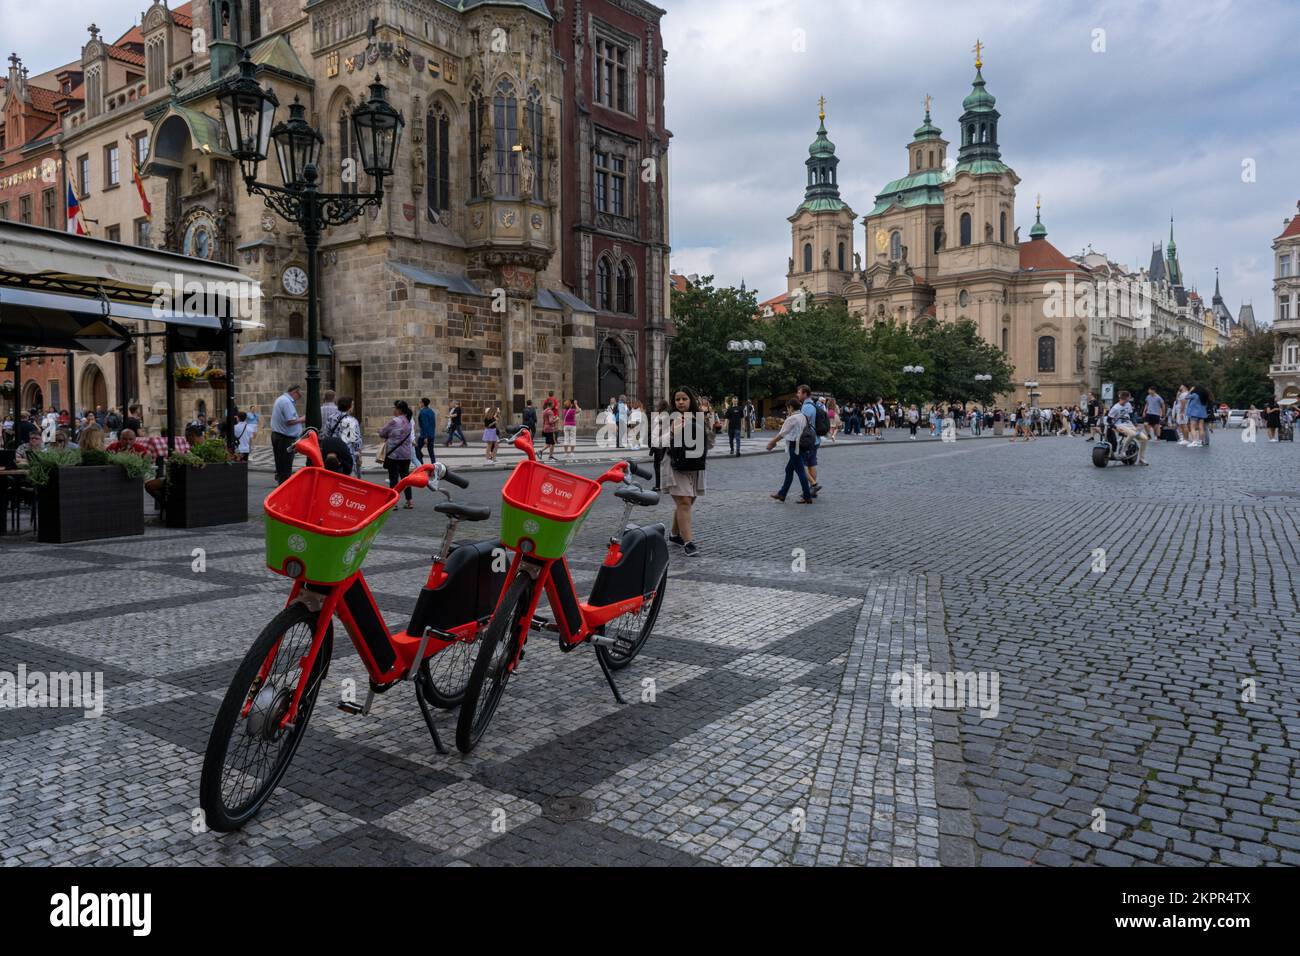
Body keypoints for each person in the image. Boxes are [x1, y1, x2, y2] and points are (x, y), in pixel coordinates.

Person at [661, 386, 708, 556]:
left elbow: (709, 442)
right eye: (677, 399)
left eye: (684, 399)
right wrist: (672, 432)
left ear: (691, 400)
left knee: (687, 502)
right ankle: (688, 542)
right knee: (684, 502)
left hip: (695, 464)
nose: (680, 402)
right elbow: (657, 442)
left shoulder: (700, 418)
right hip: (675, 464)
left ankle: (674, 535)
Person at [768, 400, 815, 504]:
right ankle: (782, 494)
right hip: (803, 446)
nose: (787, 410)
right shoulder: (803, 416)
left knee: (801, 471)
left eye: (788, 408)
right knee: (789, 469)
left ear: (791, 407)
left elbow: (782, 434)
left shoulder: (792, 418)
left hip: (795, 446)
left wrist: (771, 443)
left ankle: (807, 496)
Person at [379, 400, 415, 509]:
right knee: (405, 478)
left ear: (398, 410)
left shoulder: (394, 421)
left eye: (394, 408)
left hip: (394, 454)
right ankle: (409, 501)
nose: (393, 410)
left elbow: (382, 433)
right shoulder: (408, 421)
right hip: (406, 454)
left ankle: (393, 503)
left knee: (393, 478)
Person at [271, 384, 306, 484]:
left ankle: (281, 484)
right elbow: (290, 421)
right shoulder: (286, 402)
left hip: (280, 436)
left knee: (281, 465)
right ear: (295, 392)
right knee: (285, 467)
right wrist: (303, 419)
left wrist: (298, 418)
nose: (299, 397)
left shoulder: (282, 399)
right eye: (299, 394)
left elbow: (289, 418)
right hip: (284, 438)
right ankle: (284, 488)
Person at [1108, 390, 1150, 465]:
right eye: (1129, 397)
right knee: (1132, 434)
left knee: (1145, 438)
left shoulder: (1128, 404)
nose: (1130, 399)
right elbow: (1109, 420)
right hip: (1120, 425)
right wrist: (1116, 428)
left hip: (1130, 425)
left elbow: (1131, 416)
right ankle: (1122, 452)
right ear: (1126, 398)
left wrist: (1136, 424)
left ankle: (1141, 459)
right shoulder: (1115, 408)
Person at [796, 385, 822, 495]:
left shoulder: (806, 407)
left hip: (808, 439)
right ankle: (813, 488)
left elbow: (802, 423)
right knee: (812, 463)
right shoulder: (812, 404)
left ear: (805, 394)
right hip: (814, 438)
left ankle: (813, 486)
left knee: (802, 464)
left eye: (799, 392)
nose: (797, 394)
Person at [331, 396, 363, 477]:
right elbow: (356, 440)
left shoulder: (330, 418)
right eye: (352, 405)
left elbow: (327, 434)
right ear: (349, 406)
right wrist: (359, 455)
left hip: (334, 452)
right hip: (348, 453)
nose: (353, 407)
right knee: (349, 479)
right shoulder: (352, 421)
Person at [649, 400, 670, 490]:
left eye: (658, 405)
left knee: (658, 465)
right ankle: (661, 484)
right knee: (659, 465)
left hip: (660, 443)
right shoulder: (663, 415)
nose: (656, 406)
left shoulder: (663, 416)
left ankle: (659, 485)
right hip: (660, 442)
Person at [415, 397, 438, 464]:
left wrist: (425, 437)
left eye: (420, 402)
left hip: (424, 435)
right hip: (431, 435)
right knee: (431, 452)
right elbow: (433, 424)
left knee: (417, 450)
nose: (419, 404)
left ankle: (422, 466)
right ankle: (434, 466)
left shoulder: (423, 412)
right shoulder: (431, 411)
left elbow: (425, 425)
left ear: (422, 403)